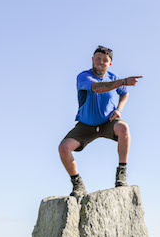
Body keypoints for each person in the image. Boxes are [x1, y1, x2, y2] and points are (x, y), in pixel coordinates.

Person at [58, 45, 142, 196]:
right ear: (92, 59)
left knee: (124, 128)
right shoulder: (83, 76)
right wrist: (122, 81)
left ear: (109, 64)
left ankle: (121, 173)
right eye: (98, 58)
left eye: (105, 60)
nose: (100, 62)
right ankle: (77, 184)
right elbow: (98, 88)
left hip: (107, 122)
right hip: (86, 125)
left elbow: (124, 94)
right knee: (63, 148)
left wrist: (119, 109)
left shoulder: (113, 77)